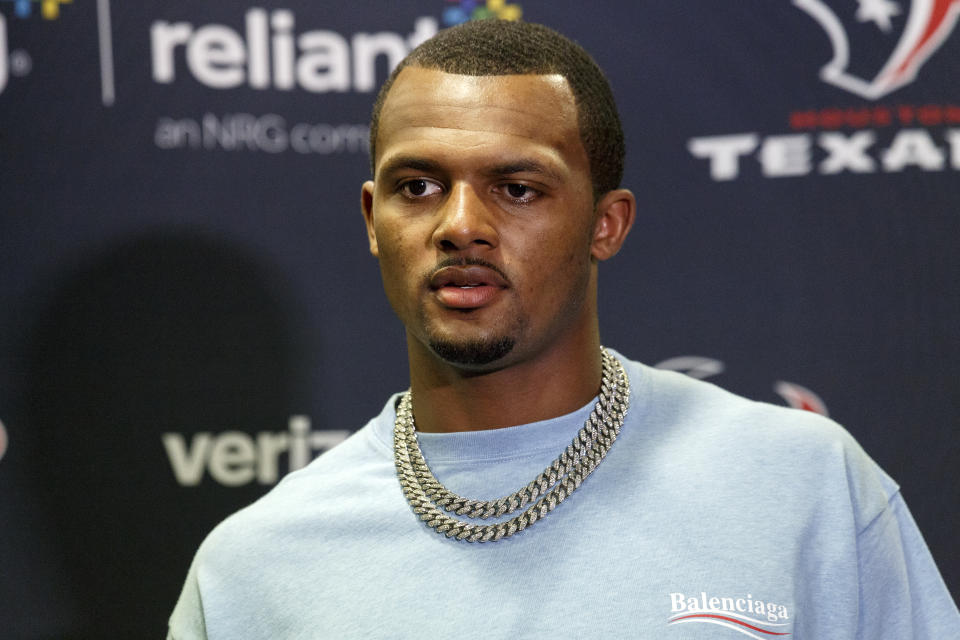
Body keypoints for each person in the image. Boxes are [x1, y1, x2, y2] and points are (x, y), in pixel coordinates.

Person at [168, 19, 959, 639]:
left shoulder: (806, 488)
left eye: (516, 188)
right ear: (375, 220)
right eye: (419, 185)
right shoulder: (255, 567)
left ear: (606, 225)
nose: (460, 226)